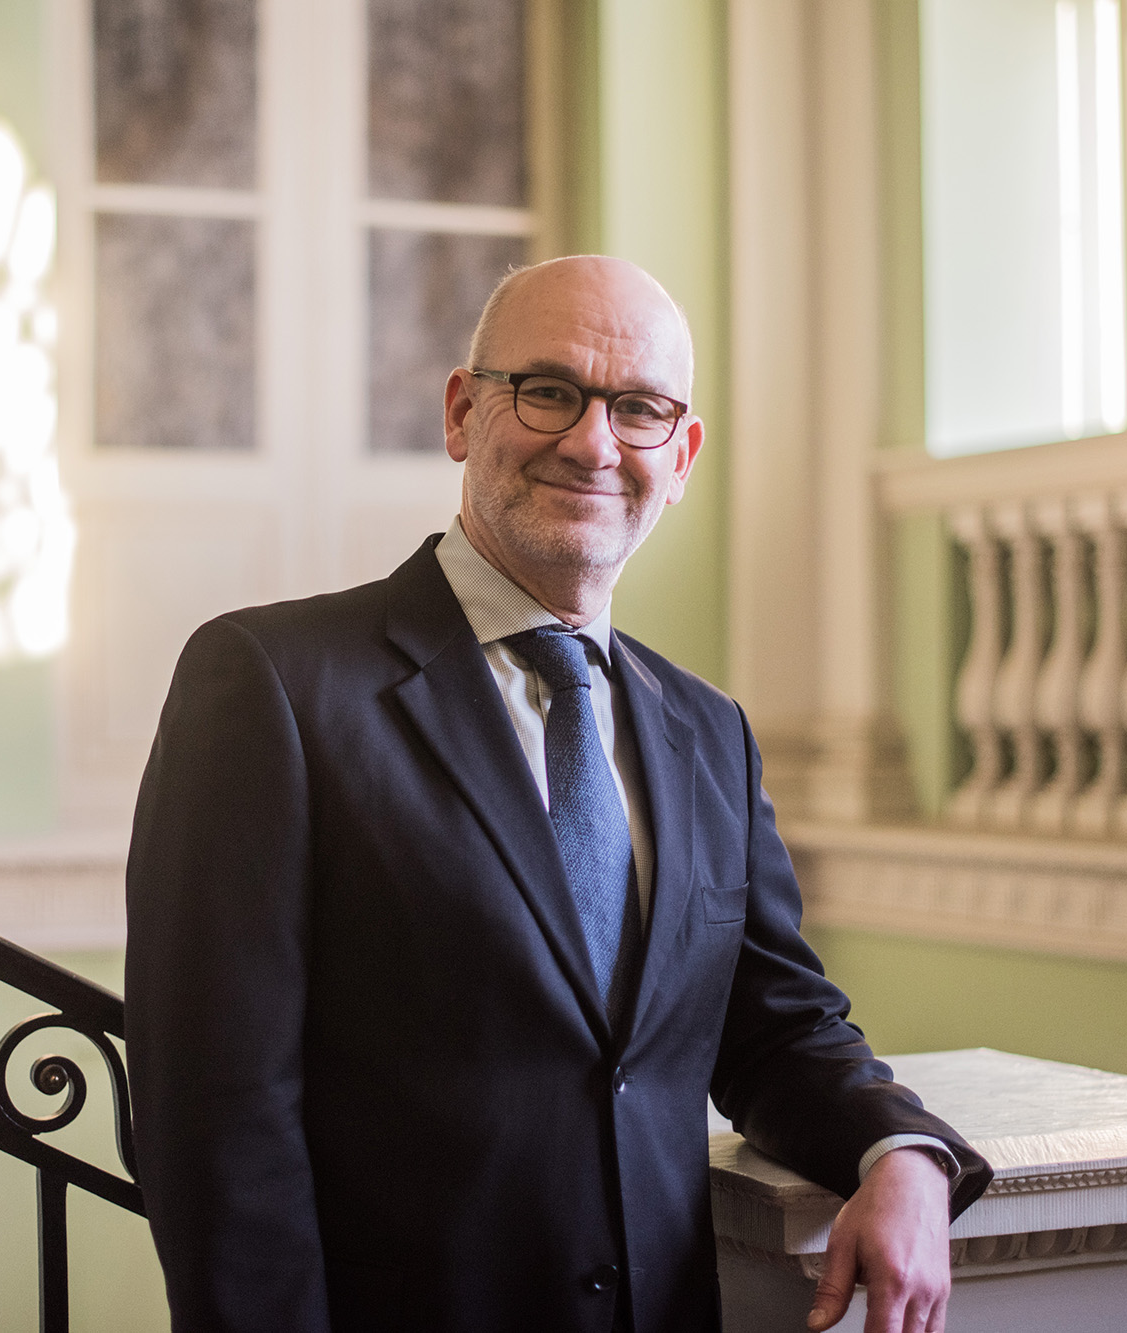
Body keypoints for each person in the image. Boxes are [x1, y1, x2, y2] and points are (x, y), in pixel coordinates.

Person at [124, 255, 990, 1333]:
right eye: (547, 391)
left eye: (636, 410)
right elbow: (215, 1117)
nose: (590, 442)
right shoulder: (271, 683)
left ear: (679, 456)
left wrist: (897, 1152)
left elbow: (772, 1025)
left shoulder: (708, 731)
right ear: (460, 411)